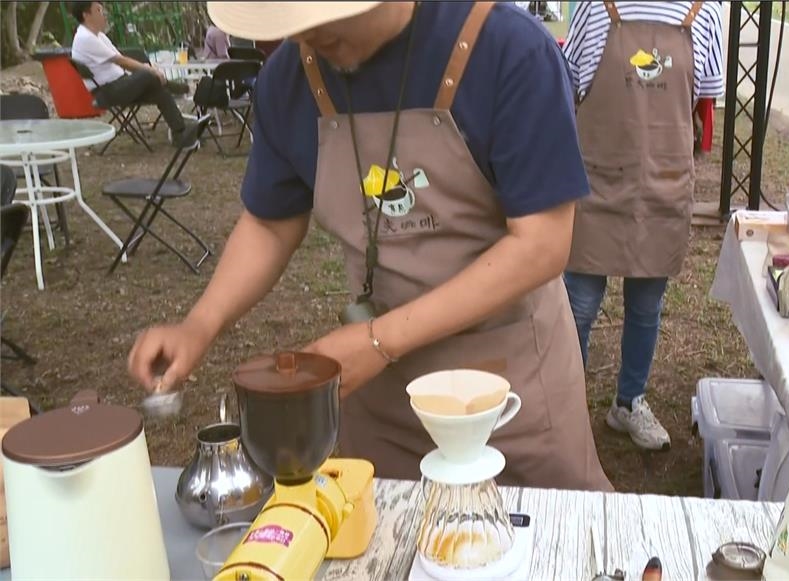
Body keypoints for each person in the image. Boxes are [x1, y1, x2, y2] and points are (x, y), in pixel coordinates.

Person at [128, 2, 613, 492]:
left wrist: (382, 340)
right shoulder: (290, 77)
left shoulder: (509, 49)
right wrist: (199, 324)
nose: (306, 38)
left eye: (321, 19)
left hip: (510, 393)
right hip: (384, 398)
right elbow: (270, 225)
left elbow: (541, 245)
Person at [562, 1, 723, 451]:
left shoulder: (703, 11)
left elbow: (706, 86)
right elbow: (572, 81)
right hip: (599, 177)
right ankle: (566, 407)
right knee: (580, 300)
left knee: (646, 302)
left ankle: (629, 402)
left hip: (662, 180)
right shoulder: (597, 7)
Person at [69, 1, 196, 147]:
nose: (104, 15)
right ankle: (177, 87)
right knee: (148, 74)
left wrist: (147, 70)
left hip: (121, 84)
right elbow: (120, 60)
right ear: (86, 15)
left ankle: (180, 134)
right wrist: (150, 70)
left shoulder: (99, 36)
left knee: (160, 92)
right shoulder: (85, 38)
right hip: (108, 91)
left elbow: (120, 57)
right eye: (99, 11)